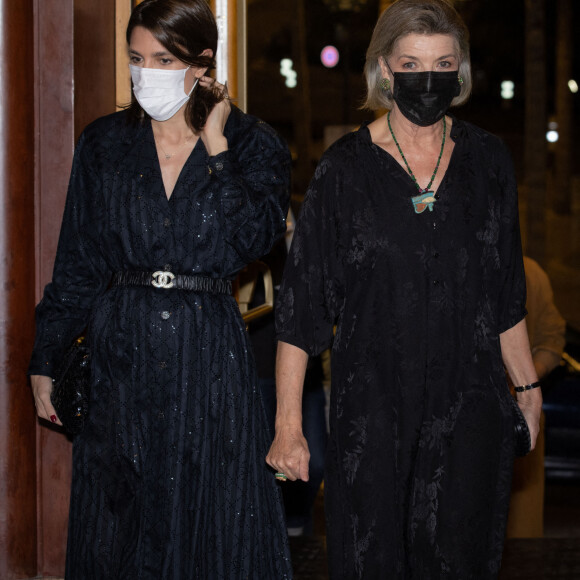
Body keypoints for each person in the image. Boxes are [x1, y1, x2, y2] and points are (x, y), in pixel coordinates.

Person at [266, 0, 542, 577]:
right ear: (385, 70)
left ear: (460, 70)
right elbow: (300, 310)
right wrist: (289, 427)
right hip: (373, 416)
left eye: (444, 64)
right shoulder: (344, 171)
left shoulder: (488, 161)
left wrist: (527, 386)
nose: (429, 78)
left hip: (470, 410)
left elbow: (505, 291)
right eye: (413, 63)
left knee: (462, 559)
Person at [28, 0, 293, 577]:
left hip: (209, 352)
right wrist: (45, 354)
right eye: (136, 57)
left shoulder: (253, 143)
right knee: (118, 523)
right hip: (120, 350)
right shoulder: (103, 143)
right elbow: (78, 260)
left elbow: (253, 236)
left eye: (164, 58)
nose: (146, 70)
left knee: (212, 515)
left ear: (201, 63)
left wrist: (218, 146)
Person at [506, 256, 566, 538]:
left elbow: (553, 340)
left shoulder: (530, 273)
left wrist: (525, 383)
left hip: (519, 418)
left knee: (520, 531)